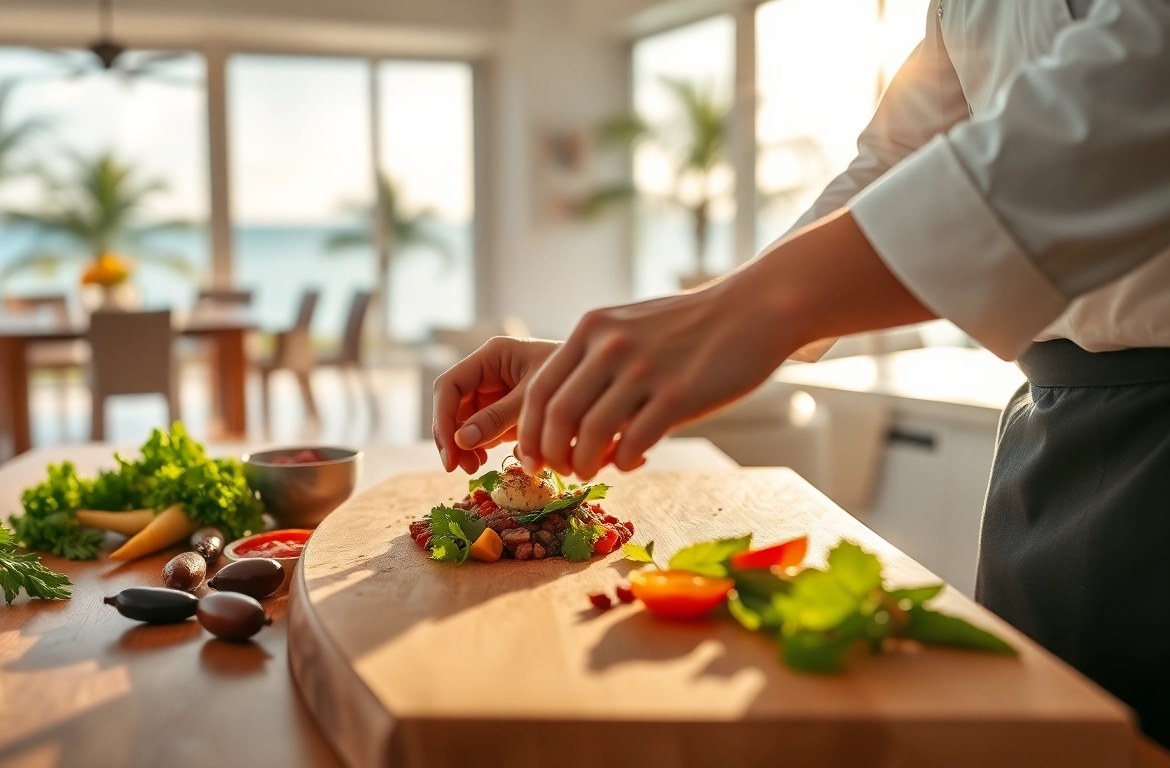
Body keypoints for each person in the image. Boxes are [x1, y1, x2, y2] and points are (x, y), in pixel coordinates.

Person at [432, 0, 1170, 747]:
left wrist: (742, 314)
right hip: (1048, 437)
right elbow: (892, 168)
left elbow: (1130, 101)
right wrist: (669, 331)